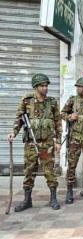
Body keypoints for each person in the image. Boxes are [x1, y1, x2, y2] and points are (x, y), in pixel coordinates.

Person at [7, 73, 61, 211]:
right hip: (31, 143)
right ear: (36, 87)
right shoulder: (27, 101)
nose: (45, 88)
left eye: (46, 85)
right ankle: (27, 200)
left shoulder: (52, 102)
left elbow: (57, 123)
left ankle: (53, 198)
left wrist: (58, 141)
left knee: (49, 171)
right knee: (29, 171)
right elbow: (19, 118)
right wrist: (14, 132)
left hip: (46, 144)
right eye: (42, 86)